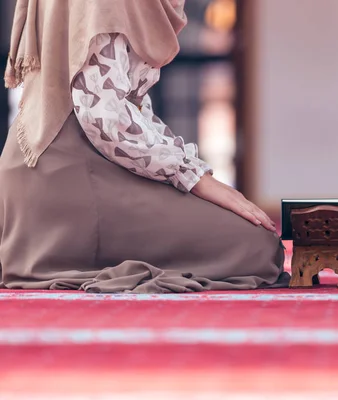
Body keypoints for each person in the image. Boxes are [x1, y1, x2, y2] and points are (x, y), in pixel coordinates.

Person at [0, 0, 290, 293]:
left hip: (58, 175)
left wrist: (195, 174)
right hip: (72, 179)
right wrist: (193, 177)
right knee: (256, 246)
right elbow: (106, 118)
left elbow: (128, 109)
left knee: (251, 239)